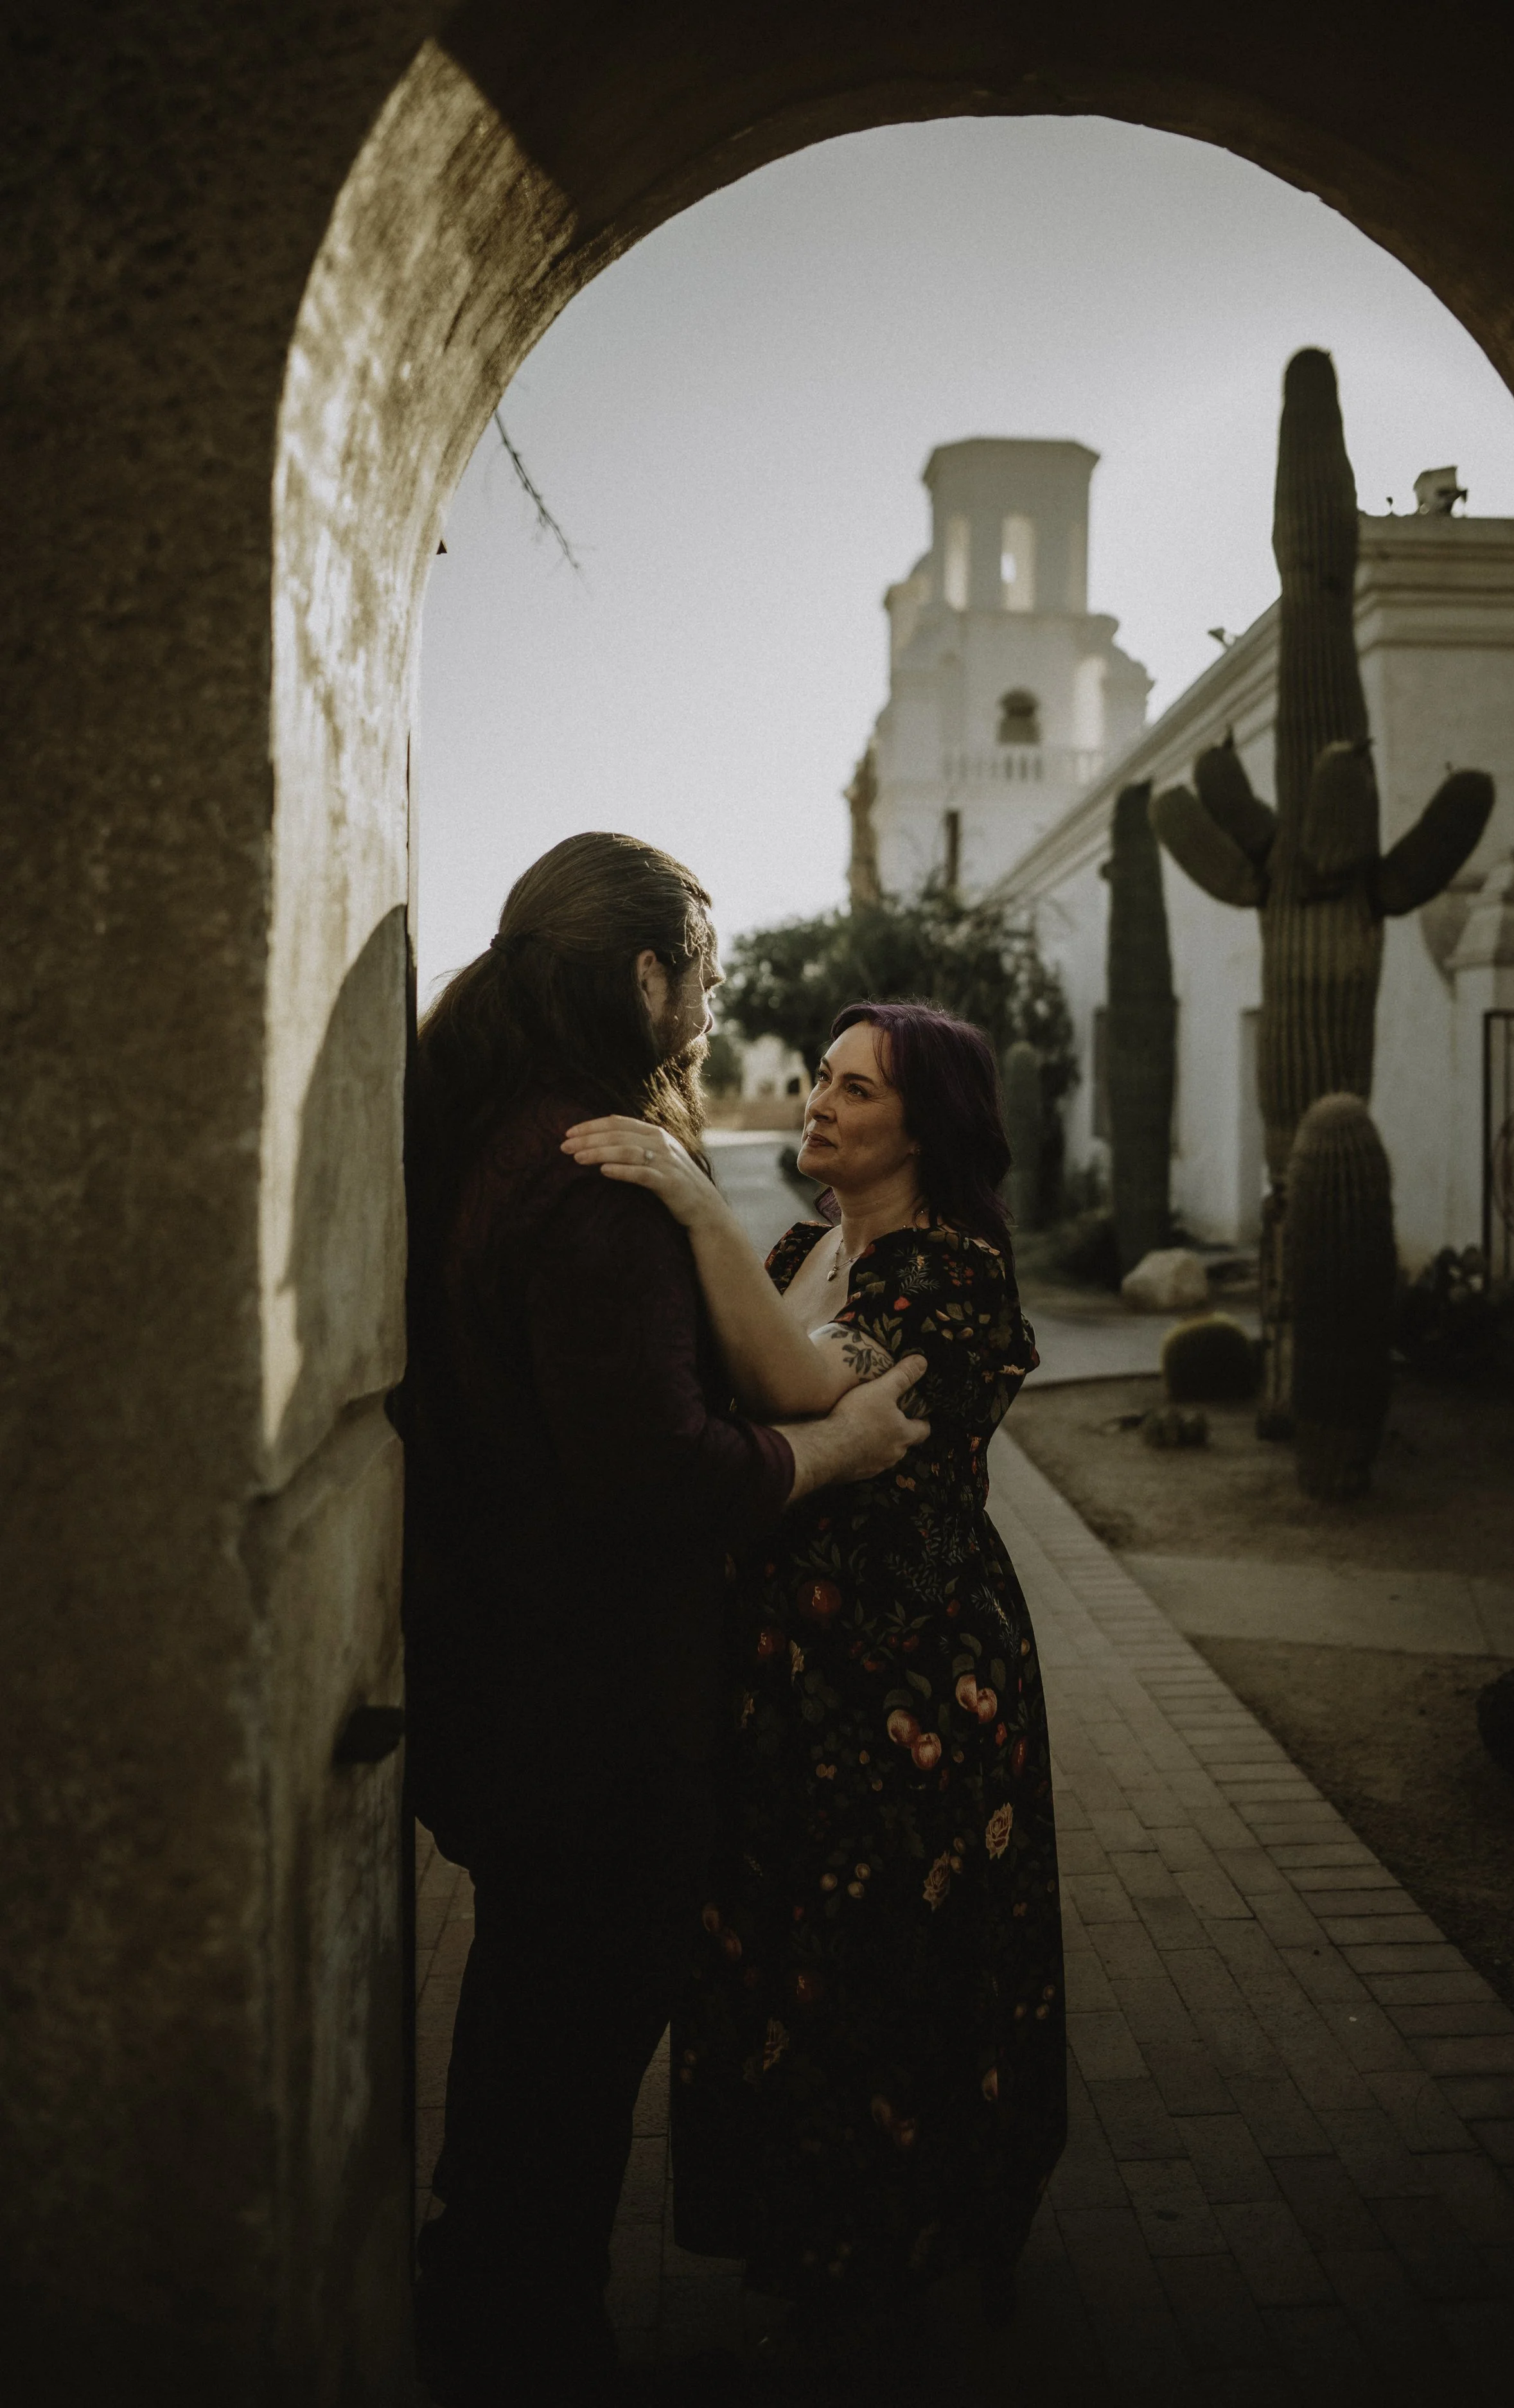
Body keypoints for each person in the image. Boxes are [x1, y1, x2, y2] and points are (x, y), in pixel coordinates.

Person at [400, 835, 929, 2408]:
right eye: (699, 971)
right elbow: (658, 1478)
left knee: (522, 2043)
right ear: (642, 977)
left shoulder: (499, 1132)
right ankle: (520, 2343)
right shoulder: (597, 1174)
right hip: (593, 1718)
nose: (710, 1003)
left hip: (509, 1685)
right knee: (560, 2074)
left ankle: (477, 2301)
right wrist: (836, 1447)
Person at [563, 1001, 1066, 2364]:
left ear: (926, 1123)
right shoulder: (798, 1246)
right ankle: (810, 2233)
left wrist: (685, 1190)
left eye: (856, 1085)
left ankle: (894, 2253)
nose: (821, 1100)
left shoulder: (948, 1273)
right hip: (785, 1672)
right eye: (821, 1077)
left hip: (905, 1686)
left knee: (888, 1970)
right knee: (784, 1958)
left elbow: (780, 1375)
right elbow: (741, 1403)